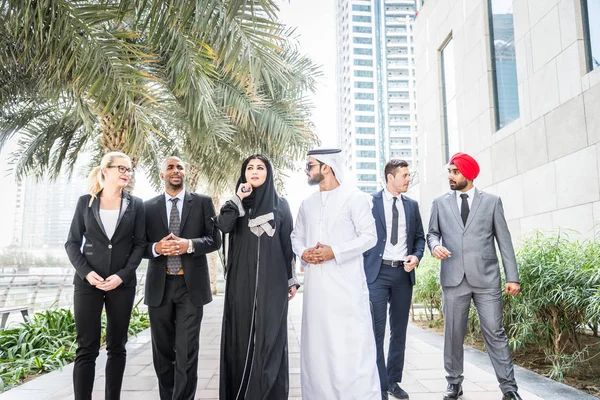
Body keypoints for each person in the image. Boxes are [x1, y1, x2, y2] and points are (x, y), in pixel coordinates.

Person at [427, 152, 522, 400]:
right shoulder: (439, 202)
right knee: (453, 334)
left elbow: (505, 241)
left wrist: (513, 277)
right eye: (449, 171)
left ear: (468, 174)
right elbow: (432, 233)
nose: (450, 176)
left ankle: (509, 389)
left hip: (487, 279)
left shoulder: (491, 201)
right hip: (453, 278)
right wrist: (435, 245)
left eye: (455, 171)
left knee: (494, 332)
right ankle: (454, 383)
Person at [290, 148, 380, 400]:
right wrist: (304, 252)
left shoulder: (355, 198)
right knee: (318, 348)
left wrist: (335, 251)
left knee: (350, 347)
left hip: (347, 288)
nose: (306, 171)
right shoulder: (307, 203)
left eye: (310, 166)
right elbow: (296, 236)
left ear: (326, 167)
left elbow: (369, 237)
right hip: (317, 291)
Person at [216, 154, 299, 400]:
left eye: (260, 168)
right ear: (243, 174)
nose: (254, 171)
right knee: (240, 336)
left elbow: (287, 244)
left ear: (268, 173)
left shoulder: (281, 205)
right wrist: (238, 198)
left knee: (271, 338)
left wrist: (291, 279)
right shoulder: (236, 204)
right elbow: (223, 225)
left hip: (272, 285)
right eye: (249, 168)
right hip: (241, 283)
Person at [65, 151, 146, 400]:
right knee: (86, 348)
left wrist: (122, 275)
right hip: (88, 284)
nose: (126, 173)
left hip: (121, 285)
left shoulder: (136, 204)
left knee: (117, 347)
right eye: (121, 168)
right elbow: (72, 243)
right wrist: (87, 273)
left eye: (129, 169)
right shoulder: (85, 202)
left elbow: (140, 245)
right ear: (105, 171)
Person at [143, 156, 221, 400]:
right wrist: (156, 248)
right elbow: (137, 246)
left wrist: (189, 244)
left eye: (180, 167)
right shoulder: (147, 207)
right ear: (162, 175)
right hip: (160, 287)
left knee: (187, 353)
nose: (176, 171)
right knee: (162, 353)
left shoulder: (202, 202)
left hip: (191, 287)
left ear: (185, 173)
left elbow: (214, 240)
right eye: (170, 167)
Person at [364, 159, 425, 400]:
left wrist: (416, 256)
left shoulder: (412, 205)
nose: (409, 179)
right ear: (391, 177)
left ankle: (393, 381)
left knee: (399, 331)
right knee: (377, 331)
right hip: (376, 274)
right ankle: (379, 385)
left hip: (403, 273)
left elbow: (419, 238)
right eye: (405, 175)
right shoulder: (370, 202)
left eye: (409, 175)